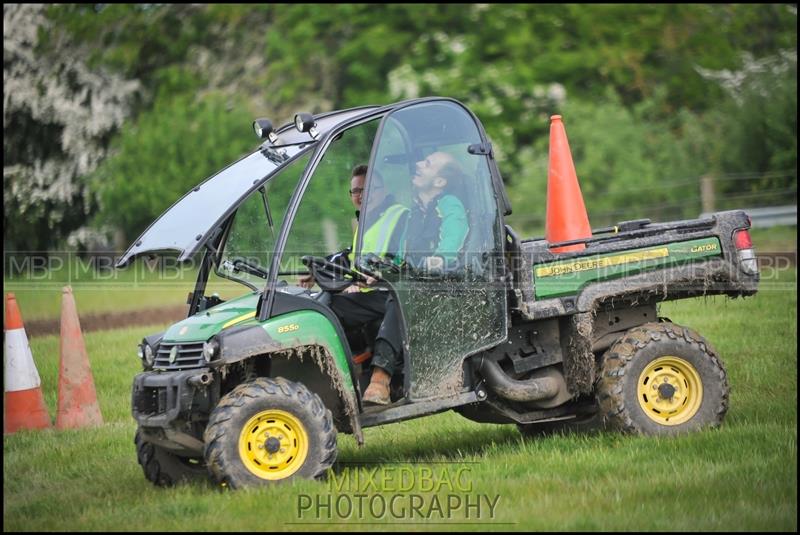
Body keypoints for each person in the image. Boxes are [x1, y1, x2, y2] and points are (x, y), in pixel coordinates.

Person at [357, 151, 470, 405]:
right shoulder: (414, 213)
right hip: (413, 285)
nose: (418, 164)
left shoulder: (449, 205)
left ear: (440, 182)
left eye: (427, 164)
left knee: (401, 296)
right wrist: (380, 274)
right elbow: (401, 258)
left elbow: (452, 243)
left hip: (441, 288)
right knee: (349, 303)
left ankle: (381, 379)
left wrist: (439, 259)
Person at [299, 163, 409, 406]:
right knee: (323, 305)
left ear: (382, 189)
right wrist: (319, 271)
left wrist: (378, 273)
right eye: (355, 191)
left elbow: (403, 256)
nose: (360, 196)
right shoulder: (365, 222)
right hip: (369, 295)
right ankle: (342, 381)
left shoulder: (401, 216)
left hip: (391, 293)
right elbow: (350, 257)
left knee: (330, 308)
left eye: (366, 189)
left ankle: (374, 382)